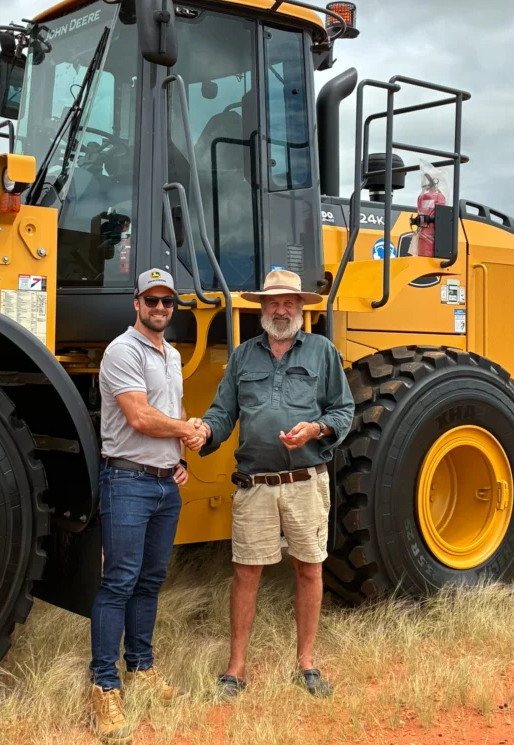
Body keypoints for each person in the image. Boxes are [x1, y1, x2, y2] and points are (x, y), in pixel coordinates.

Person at [197, 269, 354, 699]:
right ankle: (236, 669)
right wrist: (205, 433)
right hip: (256, 485)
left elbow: (343, 411)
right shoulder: (243, 356)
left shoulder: (322, 352)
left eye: (289, 303)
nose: (280, 310)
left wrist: (316, 430)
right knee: (246, 573)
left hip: (306, 481)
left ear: (301, 308)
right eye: (272, 303)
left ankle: (306, 664)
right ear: (261, 309)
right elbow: (222, 413)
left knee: (309, 569)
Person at [89, 268, 206, 742]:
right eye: (151, 300)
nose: (160, 309)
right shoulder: (122, 351)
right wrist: (188, 431)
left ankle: (140, 668)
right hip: (127, 481)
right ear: (136, 304)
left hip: (163, 484)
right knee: (118, 581)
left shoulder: (172, 354)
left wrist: (181, 452)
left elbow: (170, 410)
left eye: (167, 302)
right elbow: (138, 416)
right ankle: (103, 685)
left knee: (151, 580)